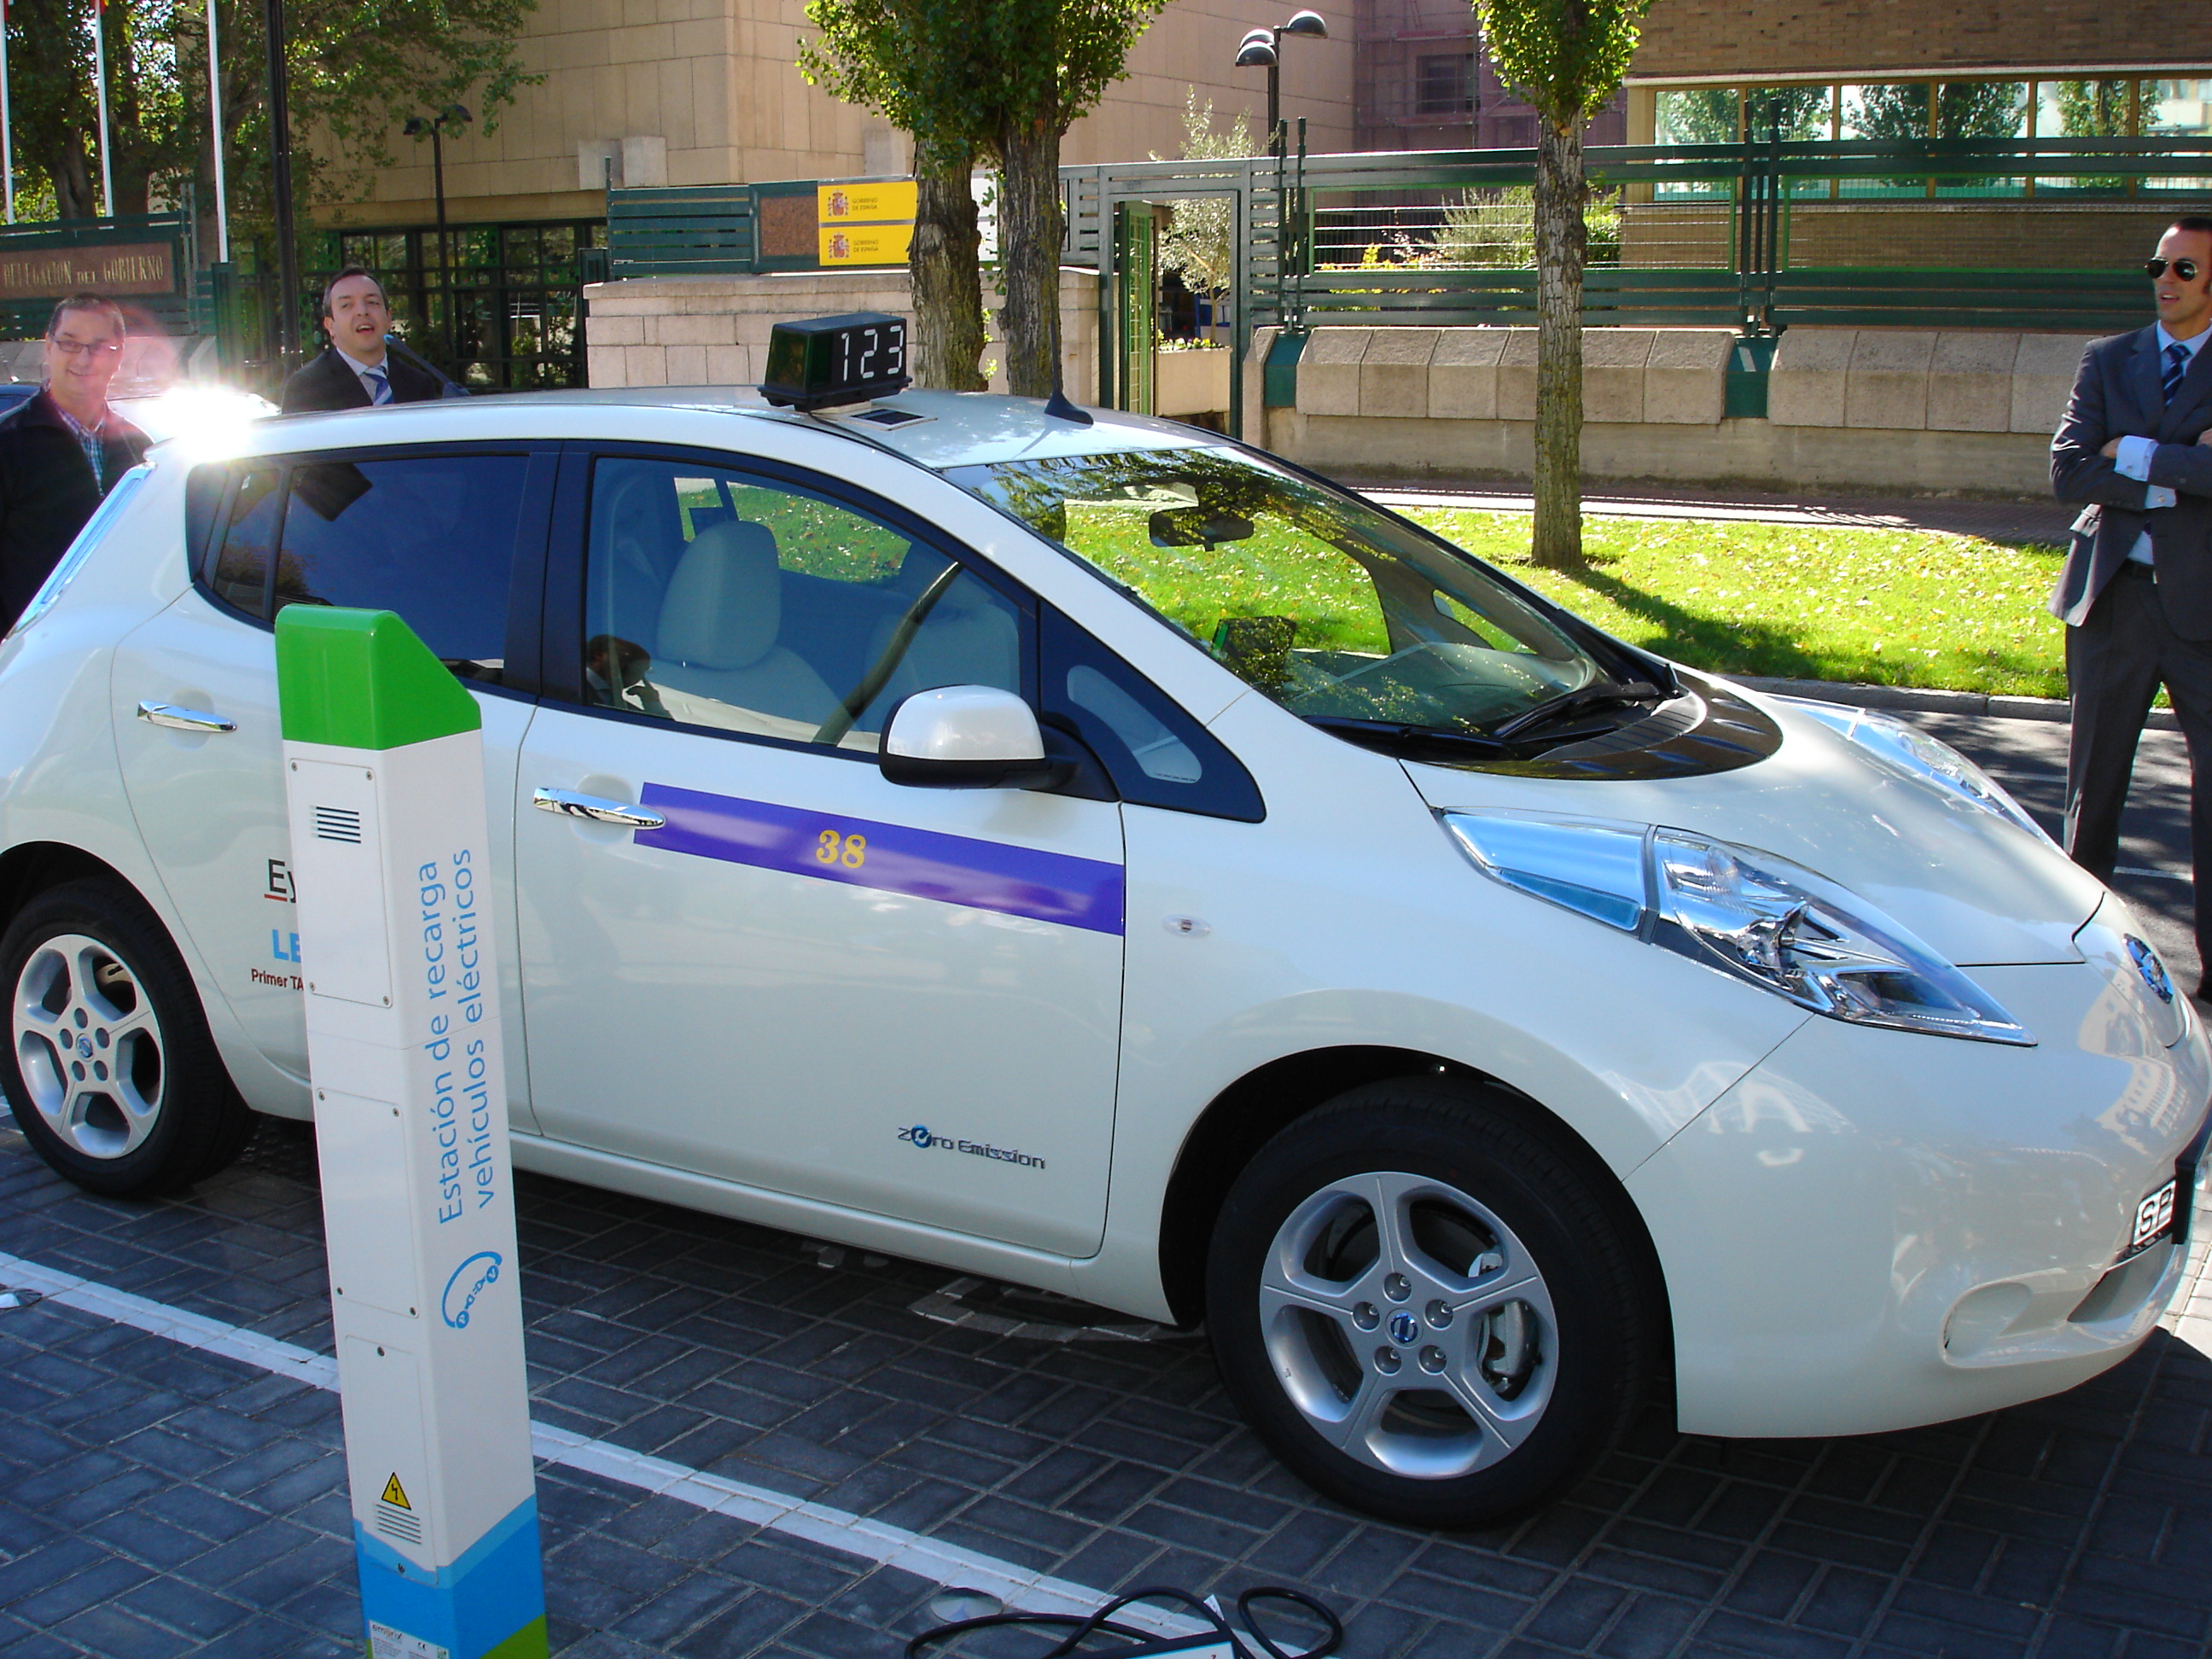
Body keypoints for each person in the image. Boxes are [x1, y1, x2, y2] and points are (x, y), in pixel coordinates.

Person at [2051, 214, 2212, 995]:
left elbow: (2108, 464)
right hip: (2111, 598)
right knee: (2094, 788)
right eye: (2158, 267)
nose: (2165, 282)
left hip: (2202, 609)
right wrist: (2180, 471)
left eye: (2184, 269)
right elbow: (2070, 472)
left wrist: (2134, 452)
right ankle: (2082, 955)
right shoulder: (2109, 359)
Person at [0, 293, 149, 632]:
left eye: (99, 347)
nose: (84, 359)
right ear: (48, 347)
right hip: (28, 651)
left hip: (115, 644)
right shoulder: (8, 443)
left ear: (118, 356)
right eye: (70, 344)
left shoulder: (139, 449)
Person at [280, 267, 452, 413]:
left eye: (372, 302)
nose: (362, 311)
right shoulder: (308, 386)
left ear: (388, 318)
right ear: (330, 325)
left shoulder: (418, 383)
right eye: (347, 305)